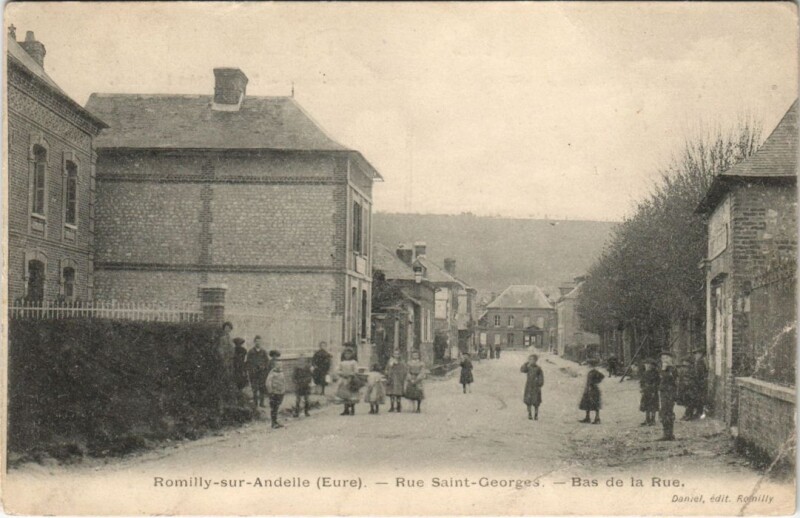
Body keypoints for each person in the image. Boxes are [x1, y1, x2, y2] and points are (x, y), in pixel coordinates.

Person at [657, 351, 678, 441]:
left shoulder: (672, 369)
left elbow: (667, 378)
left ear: (670, 359)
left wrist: (663, 369)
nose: (663, 360)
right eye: (662, 358)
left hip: (669, 393)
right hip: (664, 392)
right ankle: (666, 433)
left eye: (666, 358)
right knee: (664, 412)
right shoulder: (664, 369)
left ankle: (669, 434)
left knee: (667, 411)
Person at [336, 347, 361, 415]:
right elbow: (338, 370)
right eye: (346, 354)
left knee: (352, 395)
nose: (347, 355)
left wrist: (350, 374)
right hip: (344, 379)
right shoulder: (342, 362)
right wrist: (341, 374)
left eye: (349, 354)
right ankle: (346, 409)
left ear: (352, 355)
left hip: (351, 379)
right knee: (344, 395)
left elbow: (356, 371)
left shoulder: (353, 362)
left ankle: (352, 408)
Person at [579, 358, 604, 424]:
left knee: (595, 403)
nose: (588, 366)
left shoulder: (594, 371)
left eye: (589, 364)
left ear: (591, 365)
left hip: (593, 389)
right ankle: (587, 417)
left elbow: (602, 376)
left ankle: (597, 418)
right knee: (587, 403)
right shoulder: (591, 372)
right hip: (589, 389)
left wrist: (595, 382)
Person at [246, 336, 269, 408]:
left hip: (262, 373)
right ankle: (255, 403)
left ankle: (262, 403)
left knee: (262, 388)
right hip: (254, 373)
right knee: (254, 389)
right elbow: (248, 362)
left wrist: (263, 366)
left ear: (261, 342)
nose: (258, 343)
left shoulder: (264, 351)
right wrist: (252, 369)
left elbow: (267, 361)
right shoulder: (251, 352)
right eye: (256, 341)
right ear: (254, 342)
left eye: (259, 341)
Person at [521, 354, 544, 420]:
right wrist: (526, 363)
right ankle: (530, 414)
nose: (531, 361)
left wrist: (540, 384)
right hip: (529, 386)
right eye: (530, 359)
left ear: (536, 360)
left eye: (533, 359)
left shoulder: (538, 368)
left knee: (536, 401)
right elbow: (522, 370)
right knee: (528, 401)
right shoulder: (528, 367)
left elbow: (541, 377)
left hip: (536, 387)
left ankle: (536, 414)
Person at [688, 348, 708, 420]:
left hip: (699, 383)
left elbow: (701, 373)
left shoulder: (700, 362)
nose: (696, 355)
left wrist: (697, 380)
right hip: (697, 382)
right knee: (697, 398)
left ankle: (698, 413)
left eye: (697, 353)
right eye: (695, 354)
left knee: (699, 398)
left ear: (701, 354)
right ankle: (697, 412)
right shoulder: (697, 362)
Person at [639, 358, 659, 426]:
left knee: (653, 406)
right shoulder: (645, 373)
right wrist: (642, 388)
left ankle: (653, 419)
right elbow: (642, 382)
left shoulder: (655, 373)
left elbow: (657, 383)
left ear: (653, 366)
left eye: (649, 365)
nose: (647, 366)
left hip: (653, 391)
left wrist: (653, 390)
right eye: (646, 365)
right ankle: (647, 419)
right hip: (646, 391)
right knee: (646, 405)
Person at [266, 362, 286, 429]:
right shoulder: (272, 373)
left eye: (280, 365)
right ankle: (273, 423)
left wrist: (283, 390)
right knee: (273, 408)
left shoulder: (281, 372)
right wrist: (271, 391)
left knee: (277, 407)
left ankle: (276, 421)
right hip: (274, 392)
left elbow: (283, 381)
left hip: (280, 392)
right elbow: (268, 382)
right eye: (277, 365)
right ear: (275, 365)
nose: (279, 366)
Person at [292, 353, 313, 418]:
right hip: (299, 385)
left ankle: (306, 411)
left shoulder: (307, 367)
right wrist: (296, 382)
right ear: (298, 360)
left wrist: (308, 381)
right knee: (298, 400)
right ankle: (296, 412)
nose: (302, 360)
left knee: (306, 399)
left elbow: (310, 375)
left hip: (306, 385)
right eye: (300, 359)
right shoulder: (296, 367)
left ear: (305, 360)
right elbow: (293, 376)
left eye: (303, 359)